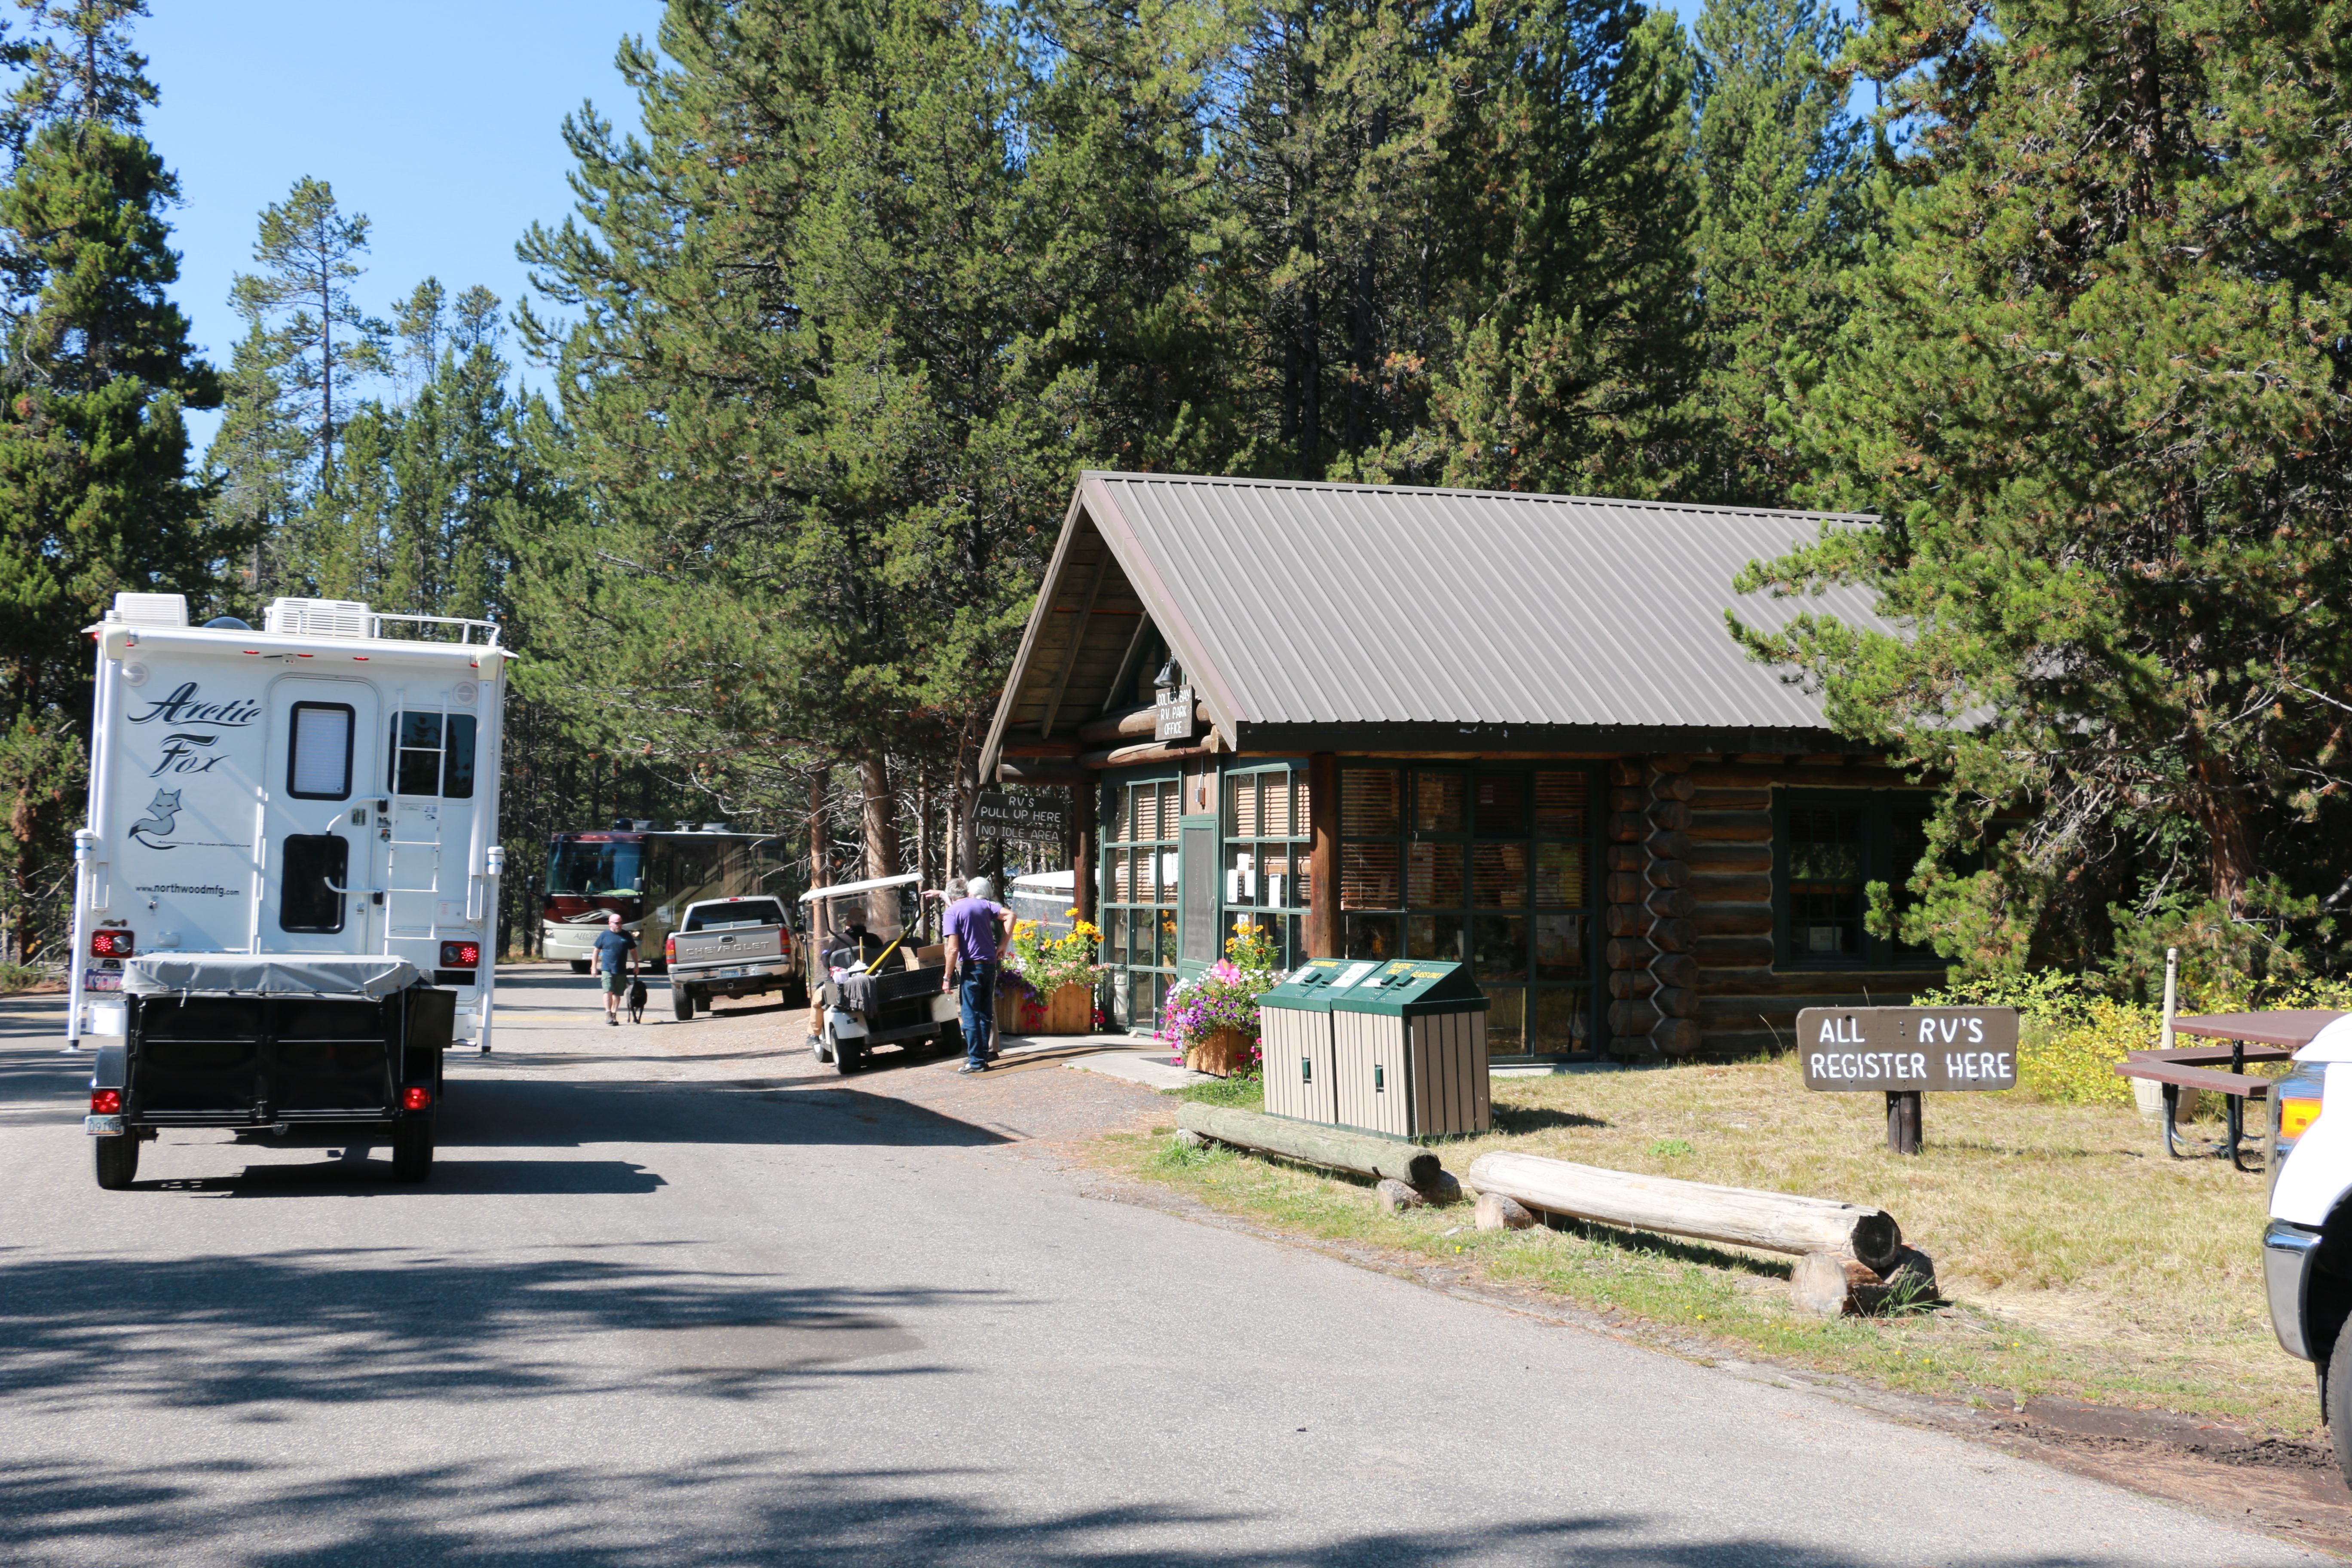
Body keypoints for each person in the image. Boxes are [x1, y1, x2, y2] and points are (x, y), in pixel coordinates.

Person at [940, 875, 1012, 1074]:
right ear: (966, 892)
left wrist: (947, 977)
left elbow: (953, 949)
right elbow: (1011, 916)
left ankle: (976, 1062)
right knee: (985, 1014)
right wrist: (1003, 946)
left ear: (951, 896)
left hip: (971, 968)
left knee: (970, 1016)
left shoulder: (952, 912)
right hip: (990, 966)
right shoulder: (984, 905)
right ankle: (982, 1057)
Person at [592, 912, 640, 1026]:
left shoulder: (626, 935)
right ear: (610, 924)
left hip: (621, 970)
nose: (620, 925)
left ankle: (614, 1014)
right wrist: (594, 967)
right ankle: (608, 1014)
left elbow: (633, 951)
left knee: (617, 994)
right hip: (607, 969)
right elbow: (596, 951)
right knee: (608, 991)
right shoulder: (604, 935)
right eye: (617, 923)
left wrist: (636, 965)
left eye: (621, 923)